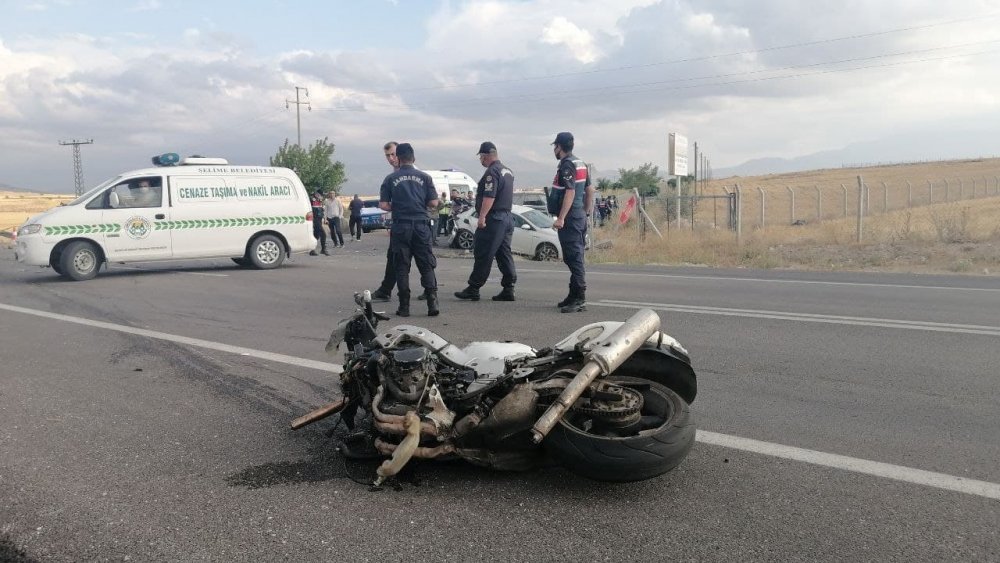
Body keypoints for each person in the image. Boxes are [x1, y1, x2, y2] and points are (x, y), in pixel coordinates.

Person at [379, 143, 439, 317]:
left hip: (401, 226)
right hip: (421, 226)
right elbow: (433, 203)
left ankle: (404, 307)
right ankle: (432, 303)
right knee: (426, 265)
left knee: (402, 267)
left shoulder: (390, 179)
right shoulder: (425, 177)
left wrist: (398, 206)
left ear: (398, 158)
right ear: (413, 158)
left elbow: (383, 205)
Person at [454, 141, 517, 302]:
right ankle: (509, 287)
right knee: (504, 253)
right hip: (507, 217)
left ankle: (474, 288)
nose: (480, 160)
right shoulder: (508, 171)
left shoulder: (492, 172)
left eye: (481, 157)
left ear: (486, 156)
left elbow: (490, 196)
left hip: (494, 218)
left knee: (483, 252)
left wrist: (482, 217)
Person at [547, 132, 594, 313]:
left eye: (555, 146)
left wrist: (561, 218)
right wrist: (585, 211)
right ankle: (573, 295)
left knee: (574, 258)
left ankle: (580, 298)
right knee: (573, 256)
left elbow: (570, 191)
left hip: (570, 218)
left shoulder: (567, 165)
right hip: (578, 215)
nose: (554, 149)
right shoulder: (580, 163)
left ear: (559, 147)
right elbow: (590, 190)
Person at [371, 141, 401, 303]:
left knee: (421, 258)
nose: (391, 158)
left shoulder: (413, 173)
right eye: (387, 156)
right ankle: (386, 289)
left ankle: (430, 290)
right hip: (399, 222)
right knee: (394, 257)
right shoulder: (392, 175)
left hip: (414, 223)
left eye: (393, 154)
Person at [309, 190, 329, 256]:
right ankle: (323, 249)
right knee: (323, 234)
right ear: (317, 194)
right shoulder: (312, 200)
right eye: (321, 195)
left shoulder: (320, 201)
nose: (322, 197)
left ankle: (312, 250)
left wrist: (325, 219)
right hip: (315, 220)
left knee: (316, 236)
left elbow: (322, 211)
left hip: (319, 220)